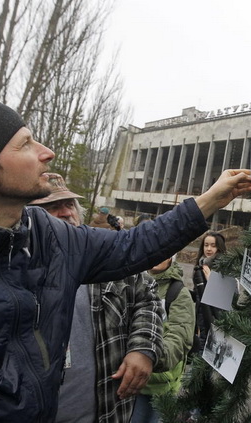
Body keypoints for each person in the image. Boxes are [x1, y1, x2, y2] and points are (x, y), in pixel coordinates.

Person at [0, 97, 251, 422]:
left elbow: (132, 246)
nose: (46, 151)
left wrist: (209, 200)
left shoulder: (47, 234)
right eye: (26, 144)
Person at [30, 173, 162, 423]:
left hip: (106, 412)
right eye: (52, 207)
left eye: (69, 205)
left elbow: (148, 297)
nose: (65, 213)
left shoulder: (105, 253)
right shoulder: (15, 265)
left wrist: (144, 347)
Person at [131, 255, 195, 423]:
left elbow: (179, 338)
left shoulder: (178, 293)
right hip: (128, 381)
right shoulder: (131, 282)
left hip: (159, 388)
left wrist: (148, 357)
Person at [193, 231, 227, 352]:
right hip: (200, 323)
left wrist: (212, 281)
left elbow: (228, 301)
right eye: (206, 245)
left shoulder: (225, 268)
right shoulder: (201, 266)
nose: (209, 249)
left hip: (215, 325)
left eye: (213, 245)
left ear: (219, 247)